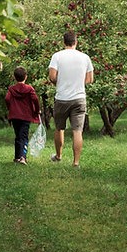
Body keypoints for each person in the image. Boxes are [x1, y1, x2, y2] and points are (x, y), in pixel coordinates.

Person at [48, 30, 94, 167]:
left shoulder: (57, 56)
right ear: (76, 42)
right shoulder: (85, 57)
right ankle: (76, 162)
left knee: (59, 128)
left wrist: (61, 83)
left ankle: (58, 155)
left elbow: (52, 76)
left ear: (63, 42)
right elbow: (90, 79)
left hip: (62, 98)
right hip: (79, 98)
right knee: (77, 131)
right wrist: (78, 83)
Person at [5, 66, 41, 165]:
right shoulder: (29, 89)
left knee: (18, 136)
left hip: (14, 116)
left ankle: (17, 157)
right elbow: (35, 100)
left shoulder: (11, 89)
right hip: (26, 116)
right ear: (25, 76)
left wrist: (10, 108)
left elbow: (7, 99)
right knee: (24, 136)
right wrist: (37, 110)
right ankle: (23, 157)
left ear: (14, 77)